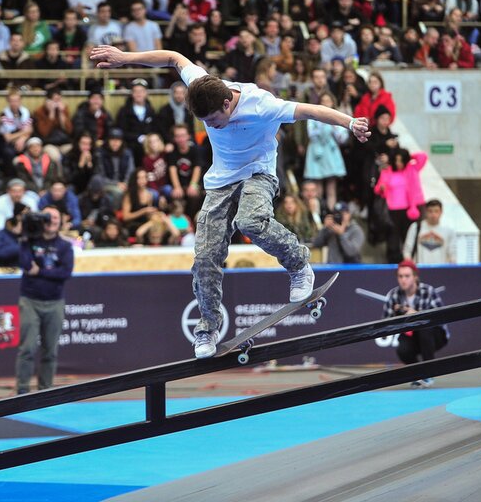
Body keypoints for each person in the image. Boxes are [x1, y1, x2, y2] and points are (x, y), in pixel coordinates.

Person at [89, 44, 369, 358]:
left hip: (259, 174)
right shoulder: (202, 84)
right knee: (205, 257)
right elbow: (173, 57)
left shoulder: (262, 104)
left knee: (249, 221)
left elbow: (309, 110)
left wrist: (349, 122)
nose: (211, 126)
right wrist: (125, 58)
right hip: (221, 181)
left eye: (214, 120)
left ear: (227, 103)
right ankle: (207, 330)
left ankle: (299, 264)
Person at [16, 205, 74, 394]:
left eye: (56, 217)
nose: (52, 220)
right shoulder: (31, 241)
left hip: (55, 302)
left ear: (60, 221)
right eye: (48, 217)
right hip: (30, 301)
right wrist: (24, 236)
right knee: (28, 348)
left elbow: (65, 272)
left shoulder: (65, 246)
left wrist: (39, 271)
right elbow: (25, 264)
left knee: (50, 350)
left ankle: (45, 391)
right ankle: (22, 391)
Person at [382, 260, 447, 388]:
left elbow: (440, 317)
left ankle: (428, 372)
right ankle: (418, 375)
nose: (403, 280)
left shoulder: (428, 291)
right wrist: (399, 317)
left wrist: (416, 314)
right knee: (402, 350)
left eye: (407, 276)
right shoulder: (394, 296)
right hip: (411, 336)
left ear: (415, 277)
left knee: (423, 326)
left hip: (435, 335)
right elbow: (385, 323)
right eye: (400, 276)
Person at [403, 199, 456, 264]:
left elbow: (452, 253)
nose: (433, 214)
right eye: (430, 211)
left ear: (441, 212)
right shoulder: (415, 227)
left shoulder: (449, 230)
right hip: (420, 269)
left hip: (441, 270)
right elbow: (407, 250)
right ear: (426, 212)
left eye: (436, 211)